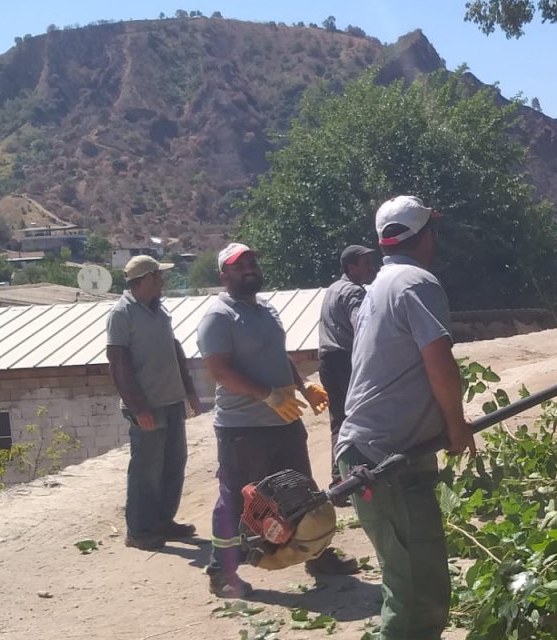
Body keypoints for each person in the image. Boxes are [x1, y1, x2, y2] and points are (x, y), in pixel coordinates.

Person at [336, 195, 476, 639]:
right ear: (424, 236)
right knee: (417, 591)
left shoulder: (379, 286)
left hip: (380, 454)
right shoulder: (416, 282)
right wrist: (457, 426)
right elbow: (438, 360)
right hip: (383, 462)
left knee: (417, 582)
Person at [197, 242, 356, 598]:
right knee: (237, 500)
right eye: (240, 266)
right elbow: (220, 371)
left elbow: (277, 357)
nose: (249, 269)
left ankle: (316, 554)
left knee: (303, 493)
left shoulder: (266, 309)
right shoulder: (218, 317)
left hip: (283, 422)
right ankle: (221, 572)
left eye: (252, 262)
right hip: (243, 427)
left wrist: (303, 387)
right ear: (224, 276)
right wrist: (266, 395)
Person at [105, 255, 203, 551]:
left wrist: (189, 390)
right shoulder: (122, 314)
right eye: (158, 277)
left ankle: (163, 521)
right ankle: (139, 530)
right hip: (147, 405)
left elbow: (175, 350)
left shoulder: (158, 311)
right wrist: (139, 408)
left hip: (171, 401)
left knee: (173, 464)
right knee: (146, 470)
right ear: (146, 279)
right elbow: (118, 363)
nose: (163, 281)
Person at [318, 244, 377, 486]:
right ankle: (356, 475)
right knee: (359, 418)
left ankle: (339, 479)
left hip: (327, 362)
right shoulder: (354, 293)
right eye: (365, 263)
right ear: (351, 267)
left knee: (339, 421)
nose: (370, 267)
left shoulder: (333, 289)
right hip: (346, 361)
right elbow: (362, 326)